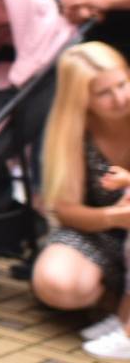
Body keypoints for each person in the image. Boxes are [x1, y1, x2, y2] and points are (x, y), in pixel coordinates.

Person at [33, 43, 130, 347]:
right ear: (82, 99)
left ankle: (125, 326)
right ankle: (112, 305)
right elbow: (65, 210)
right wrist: (115, 217)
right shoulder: (74, 131)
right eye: (104, 93)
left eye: (123, 85)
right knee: (57, 282)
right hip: (102, 231)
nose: (120, 98)